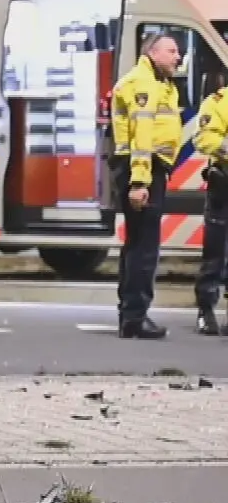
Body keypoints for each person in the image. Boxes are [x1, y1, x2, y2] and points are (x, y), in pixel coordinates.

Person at [110, 31, 184, 338]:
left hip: (146, 168)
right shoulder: (143, 83)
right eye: (172, 51)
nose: (178, 57)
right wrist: (140, 181)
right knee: (144, 247)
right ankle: (135, 316)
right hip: (143, 168)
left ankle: (130, 314)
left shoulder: (156, 82)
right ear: (153, 53)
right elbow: (142, 135)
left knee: (137, 243)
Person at [193, 65, 228, 334]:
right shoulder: (218, 102)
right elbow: (204, 138)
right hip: (224, 186)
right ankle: (206, 310)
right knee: (215, 253)